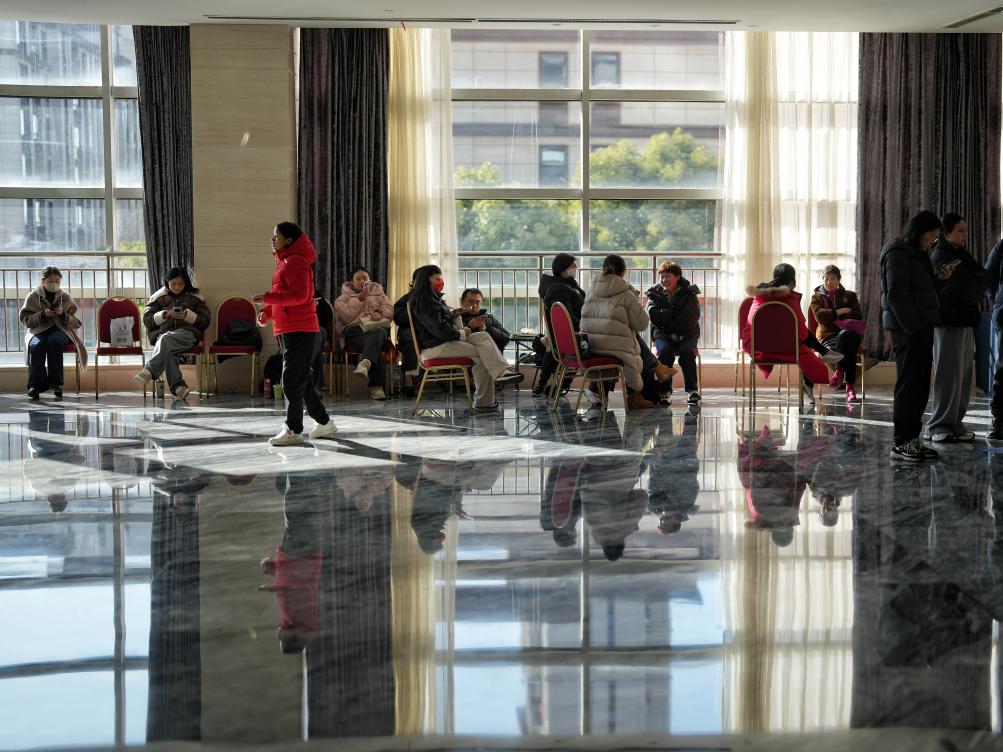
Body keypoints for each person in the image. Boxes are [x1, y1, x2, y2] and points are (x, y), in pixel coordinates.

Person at [253, 221, 337, 446]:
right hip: (289, 328)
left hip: (301, 329)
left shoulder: (296, 262)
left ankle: (294, 429)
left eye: (277, 236)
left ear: (289, 240)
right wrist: (268, 312)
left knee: (290, 380)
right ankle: (324, 422)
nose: (273, 239)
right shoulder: (285, 262)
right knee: (301, 380)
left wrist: (268, 298)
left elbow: (301, 296)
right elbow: (285, 297)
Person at [409, 264, 524, 414]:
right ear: (426, 280)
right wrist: (462, 333)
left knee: (483, 336)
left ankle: (501, 374)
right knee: (482, 352)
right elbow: (439, 330)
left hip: (442, 342)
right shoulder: (425, 301)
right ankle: (485, 402)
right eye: (436, 278)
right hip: (435, 347)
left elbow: (440, 323)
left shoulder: (433, 299)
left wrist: (452, 316)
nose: (440, 281)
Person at [880, 210, 943, 462]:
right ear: (920, 232)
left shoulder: (918, 255)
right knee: (909, 386)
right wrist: (914, 326)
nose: (933, 241)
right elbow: (896, 295)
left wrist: (937, 279)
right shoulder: (898, 253)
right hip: (908, 331)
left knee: (920, 386)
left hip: (921, 328)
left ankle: (912, 439)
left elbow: (920, 290)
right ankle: (901, 442)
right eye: (931, 236)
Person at [581, 255, 675, 410]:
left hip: (589, 345)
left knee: (629, 339)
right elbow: (642, 324)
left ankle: (654, 372)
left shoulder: (591, 290)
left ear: (603, 270)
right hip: (613, 349)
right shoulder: (626, 294)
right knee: (633, 345)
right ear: (623, 272)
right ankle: (636, 393)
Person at [742, 262, 842, 406]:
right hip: (784, 348)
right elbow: (802, 333)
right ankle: (821, 357)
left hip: (756, 346)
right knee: (804, 345)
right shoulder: (789, 299)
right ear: (791, 282)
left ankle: (823, 353)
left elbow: (749, 325)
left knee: (800, 342)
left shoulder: (758, 297)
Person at [926, 213, 986, 442]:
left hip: (965, 320)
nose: (964, 235)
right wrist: (974, 288)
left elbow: (984, 277)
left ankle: (955, 424)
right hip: (948, 322)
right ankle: (939, 426)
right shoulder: (940, 255)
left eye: (965, 230)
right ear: (946, 232)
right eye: (960, 231)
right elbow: (958, 289)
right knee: (948, 375)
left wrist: (974, 288)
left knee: (963, 376)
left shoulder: (961, 253)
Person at [136, 267, 211, 400]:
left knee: (165, 340)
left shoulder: (195, 298)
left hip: (187, 334)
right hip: (165, 335)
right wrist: (165, 314)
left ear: (186, 283)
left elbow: (205, 321)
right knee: (168, 351)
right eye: (173, 284)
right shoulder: (158, 298)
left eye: (180, 284)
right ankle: (178, 388)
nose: (177, 287)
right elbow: (148, 320)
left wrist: (188, 316)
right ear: (167, 282)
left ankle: (150, 370)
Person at [19, 265, 85, 401]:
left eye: (57, 281)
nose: (54, 284)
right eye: (50, 281)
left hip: (60, 330)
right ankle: (35, 385)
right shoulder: (33, 296)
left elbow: (76, 322)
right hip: (38, 330)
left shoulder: (65, 297)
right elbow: (26, 320)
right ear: (43, 281)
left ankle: (56, 384)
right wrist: (42, 314)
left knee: (54, 342)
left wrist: (63, 315)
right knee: (36, 346)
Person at [334, 267, 393, 401]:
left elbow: (390, 310)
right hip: (355, 332)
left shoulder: (380, 294)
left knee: (378, 332)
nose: (362, 281)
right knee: (374, 345)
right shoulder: (342, 299)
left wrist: (380, 312)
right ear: (352, 282)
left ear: (369, 280)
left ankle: (365, 363)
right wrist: (359, 300)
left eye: (364, 278)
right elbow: (345, 317)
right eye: (358, 279)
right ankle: (377, 388)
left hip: (377, 328)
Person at [646, 261, 701, 405]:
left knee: (687, 352)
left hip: (687, 334)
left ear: (677, 277)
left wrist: (668, 322)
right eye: (662, 277)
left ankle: (692, 391)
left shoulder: (689, 292)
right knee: (665, 352)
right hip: (662, 335)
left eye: (668, 276)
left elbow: (690, 316)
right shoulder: (654, 292)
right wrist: (675, 313)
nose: (664, 280)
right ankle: (664, 392)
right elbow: (653, 315)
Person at [808, 265, 863, 402]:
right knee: (848, 346)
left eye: (832, 279)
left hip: (850, 334)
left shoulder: (850, 295)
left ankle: (839, 371)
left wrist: (831, 317)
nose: (829, 282)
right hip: (829, 337)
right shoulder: (816, 298)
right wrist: (841, 311)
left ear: (838, 280)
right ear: (822, 279)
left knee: (845, 336)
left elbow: (857, 315)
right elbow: (820, 317)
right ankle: (850, 388)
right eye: (826, 278)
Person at [535, 253, 587, 397]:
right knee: (581, 347)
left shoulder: (567, 284)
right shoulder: (559, 289)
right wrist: (586, 327)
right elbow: (568, 318)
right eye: (572, 266)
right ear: (562, 268)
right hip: (572, 334)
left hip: (562, 336)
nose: (575, 268)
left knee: (552, 348)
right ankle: (561, 385)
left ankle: (546, 383)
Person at [459, 288, 510, 355]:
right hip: (471, 355)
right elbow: (455, 339)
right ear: (462, 302)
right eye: (470, 301)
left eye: (477, 302)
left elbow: (506, 338)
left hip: (492, 355)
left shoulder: (488, 318)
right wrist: (470, 327)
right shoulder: (456, 318)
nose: (474, 305)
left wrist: (488, 329)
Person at [393, 270, 420, 397]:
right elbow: (398, 319)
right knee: (410, 339)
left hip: (429, 331)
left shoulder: (436, 298)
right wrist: (412, 309)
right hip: (409, 330)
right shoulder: (406, 299)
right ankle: (409, 379)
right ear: (413, 283)